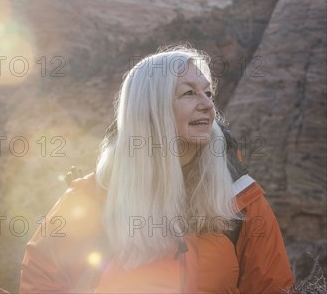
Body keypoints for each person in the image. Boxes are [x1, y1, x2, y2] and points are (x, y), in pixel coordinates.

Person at [19, 46, 295, 293]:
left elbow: (272, 287)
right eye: (189, 93)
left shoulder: (240, 199)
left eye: (208, 93)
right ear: (151, 110)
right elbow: (42, 278)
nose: (208, 105)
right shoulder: (94, 197)